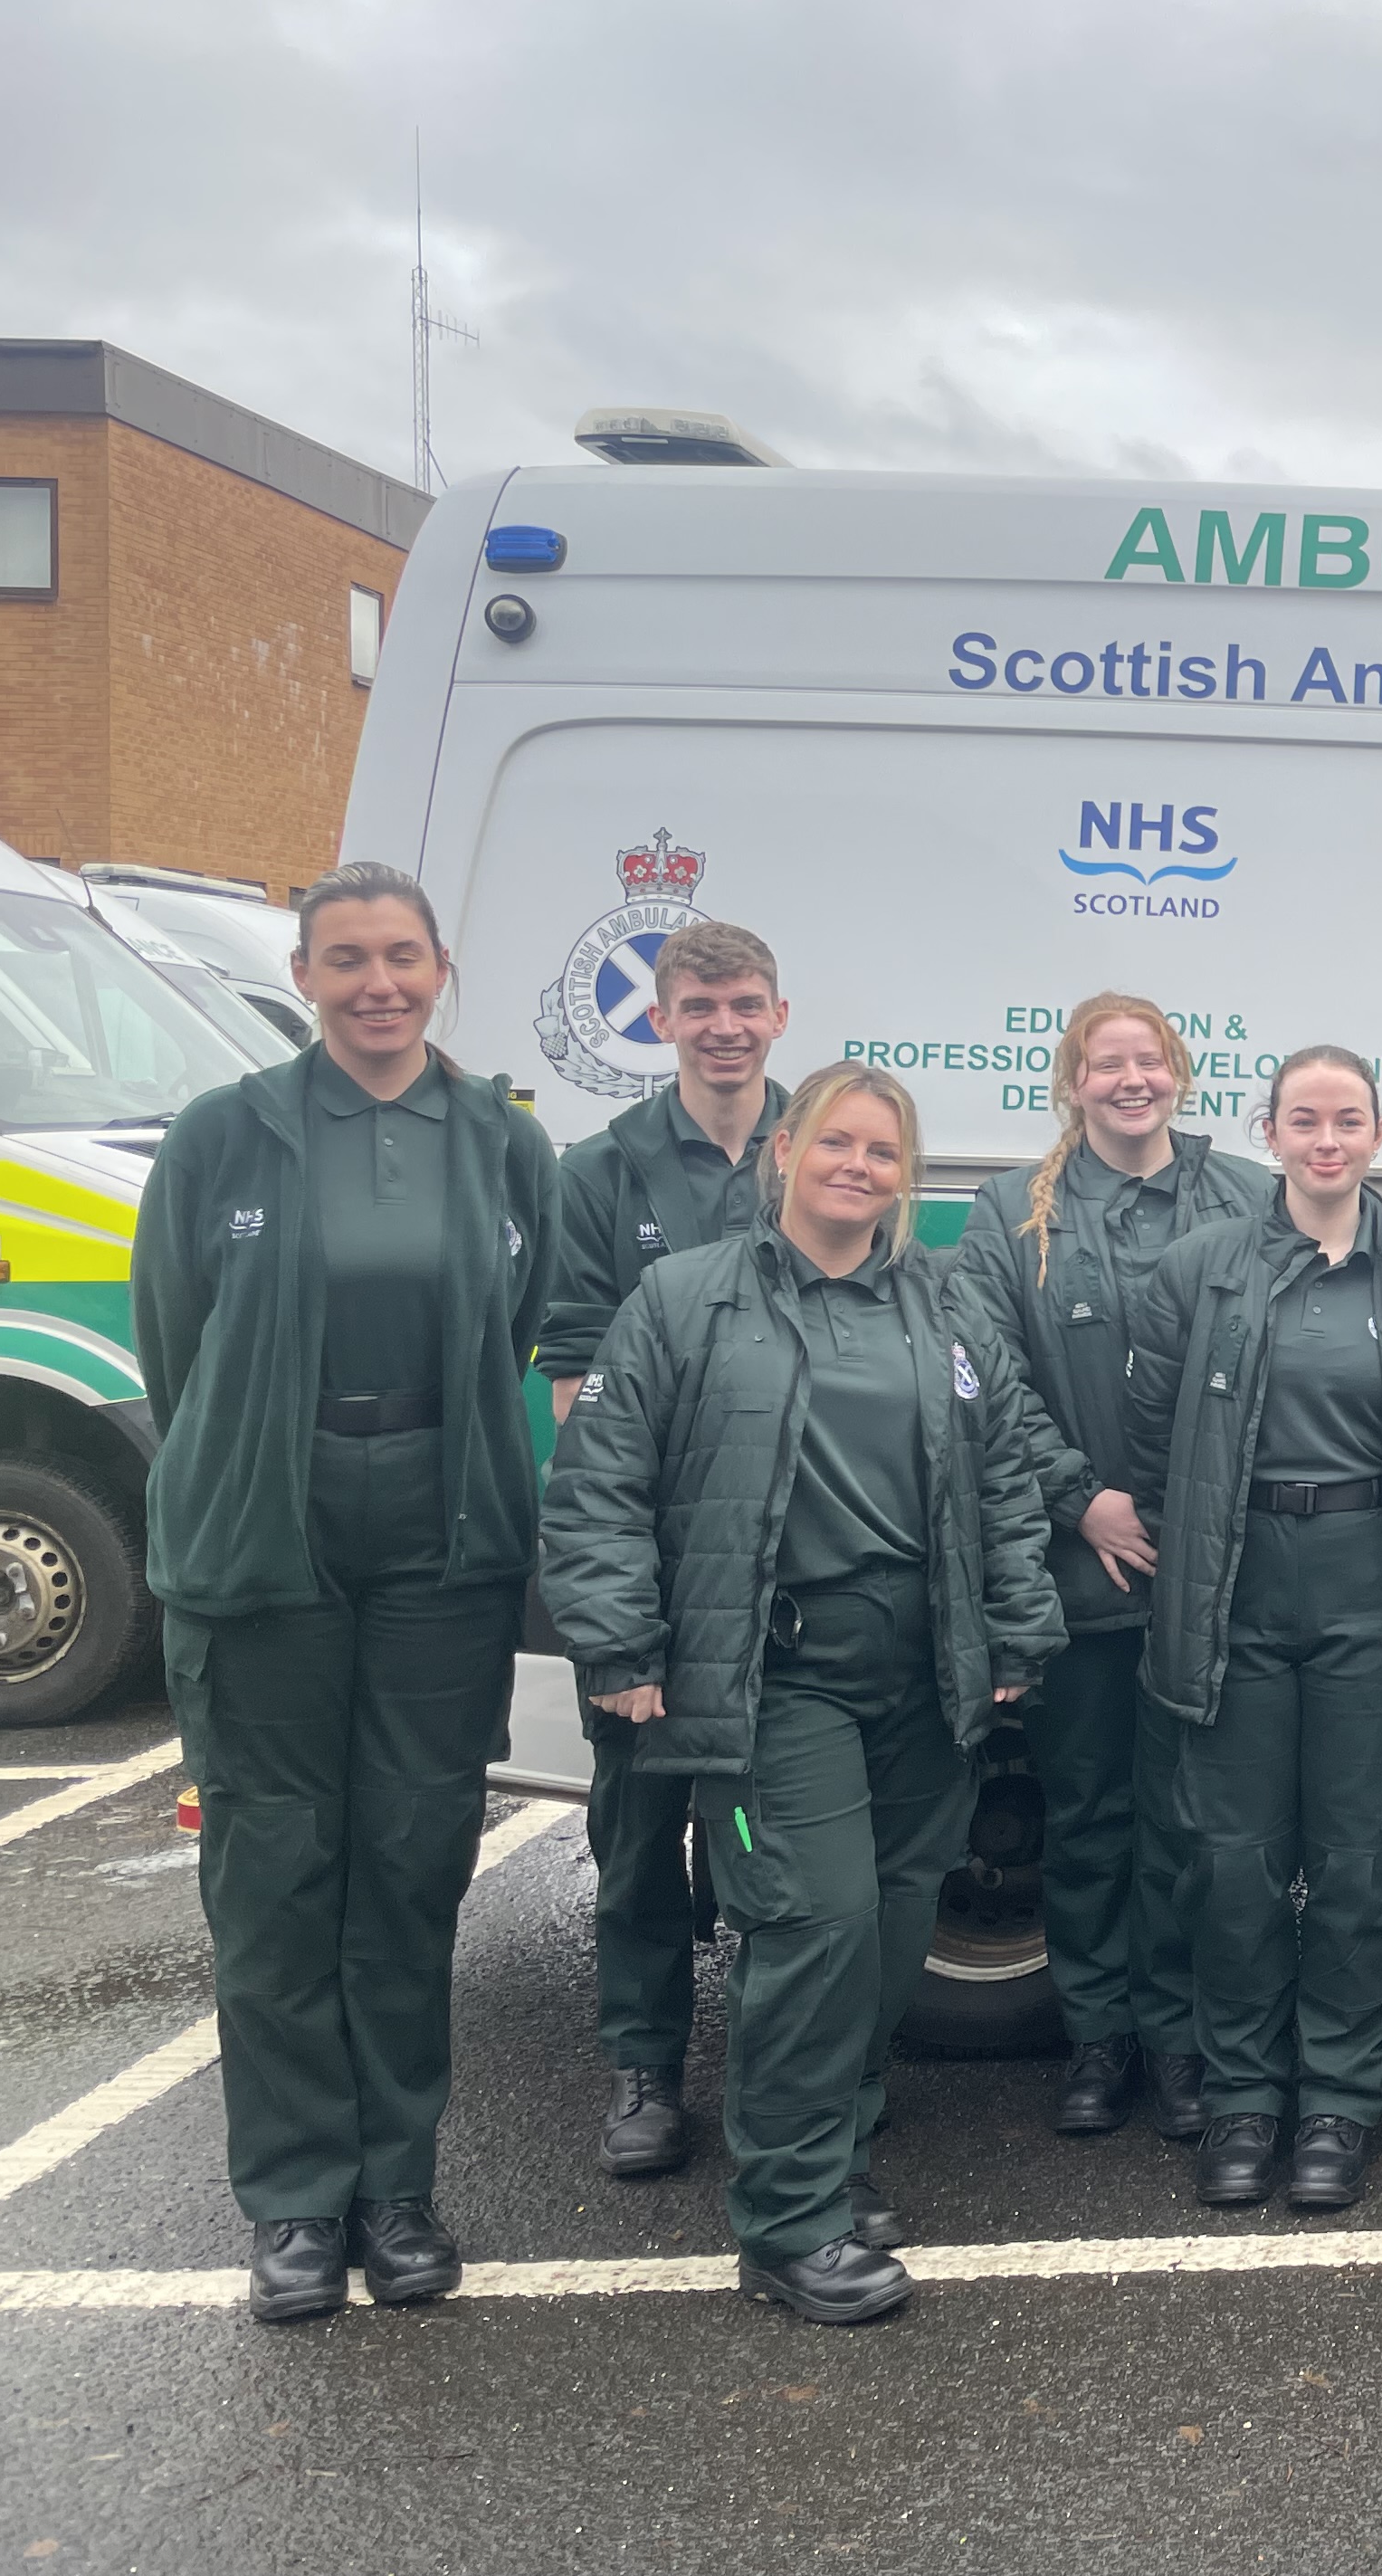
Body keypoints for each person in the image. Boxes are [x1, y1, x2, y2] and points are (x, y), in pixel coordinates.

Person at [539, 1062, 1063, 2325]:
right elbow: (598, 1481)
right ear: (785, 1149)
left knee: (888, 1937)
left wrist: (1016, 1630)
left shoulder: (939, 1307)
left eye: (885, 1154)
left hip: (921, 1672)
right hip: (777, 1675)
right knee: (813, 1928)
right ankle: (784, 2220)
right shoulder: (685, 1300)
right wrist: (619, 1645)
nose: (860, 1168)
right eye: (839, 1143)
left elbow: (1000, 1480)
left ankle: (834, 2156)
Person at [132, 862, 558, 2323]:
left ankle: (399, 2185)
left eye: (401, 955)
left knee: (411, 1863)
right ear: (305, 977)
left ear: (442, 968)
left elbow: (510, 1331)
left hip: (439, 1537)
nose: (377, 982)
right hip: (267, 1533)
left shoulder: (504, 1144)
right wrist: (261, 1470)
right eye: (346, 959)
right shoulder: (224, 1136)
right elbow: (177, 1350)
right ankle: (298, 2200)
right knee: (274, 1873)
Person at [1122, 1047, 1382, 2213]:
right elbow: (1150, 1438)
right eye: (1303, 1121)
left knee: (1358, 1865)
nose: (1326, 1142)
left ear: (1380, 1135)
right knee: (1232, 1863)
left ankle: (1336, 2102)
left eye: (1348, 1122)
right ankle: (1242, 2099)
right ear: (1266, 1132)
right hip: (1235, 1580)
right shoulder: (1198, 1270)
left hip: (1371, 1582)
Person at [950, 994, 1268, 2146]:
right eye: (1105, 1064)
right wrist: (1084, 1499)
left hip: (1211, 1567)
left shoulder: (1249, 1197)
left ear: (1182, 1074)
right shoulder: (1007, 1214)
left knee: (1191, 1822)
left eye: (1149, 1061)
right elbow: (983, 1373)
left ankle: (1182, 2045)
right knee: (1087, 1814)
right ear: (1071, 1082)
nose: (1130, 1080)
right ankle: (1098, 2039)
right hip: (1081, 1570)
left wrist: (1192, 1511)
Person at [537, 917, 794, 2182]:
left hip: (783, 1563)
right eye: (701, 1007)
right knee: (637, 1837)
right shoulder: (603, 1169)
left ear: (779, 1015)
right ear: (664, 1020)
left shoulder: (823, 1142)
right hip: (649, 1552)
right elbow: (575, 1386)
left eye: (745, 1004)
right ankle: (644, 2071)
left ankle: (774, 2069)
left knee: (762, 1836)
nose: (725, 1026)